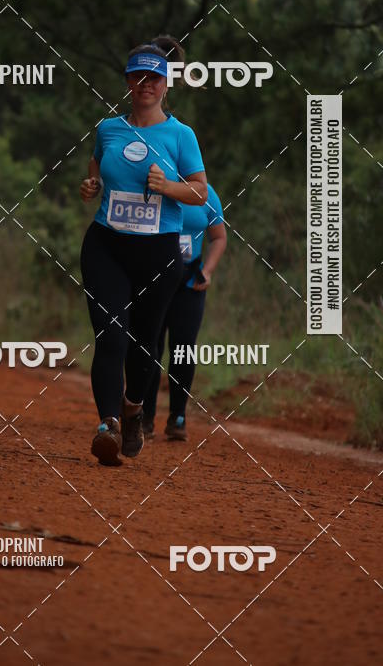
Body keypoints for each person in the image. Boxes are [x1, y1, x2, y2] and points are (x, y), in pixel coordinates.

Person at [80, 39, 208, 467]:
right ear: (128, 81)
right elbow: (97, 167)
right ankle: (108, 425)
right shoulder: (108, 129)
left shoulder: (180, 135)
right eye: (139, 76)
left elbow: (200, 192)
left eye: (155, 77)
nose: (146, 84)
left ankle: (134, 410)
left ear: (166, 84)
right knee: (110, 336)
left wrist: (167, 187)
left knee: (144, 344)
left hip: (159, 254)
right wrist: (92, 186)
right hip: (107, 246)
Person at [143, 184, 227, 441]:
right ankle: (143, 417)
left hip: (189, 282)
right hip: (153, 279)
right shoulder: (153, 186)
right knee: (149, 347)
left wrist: (208, 270)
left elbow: (219, 237)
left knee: (183, 348)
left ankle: (177, 417)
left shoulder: (206, 194)